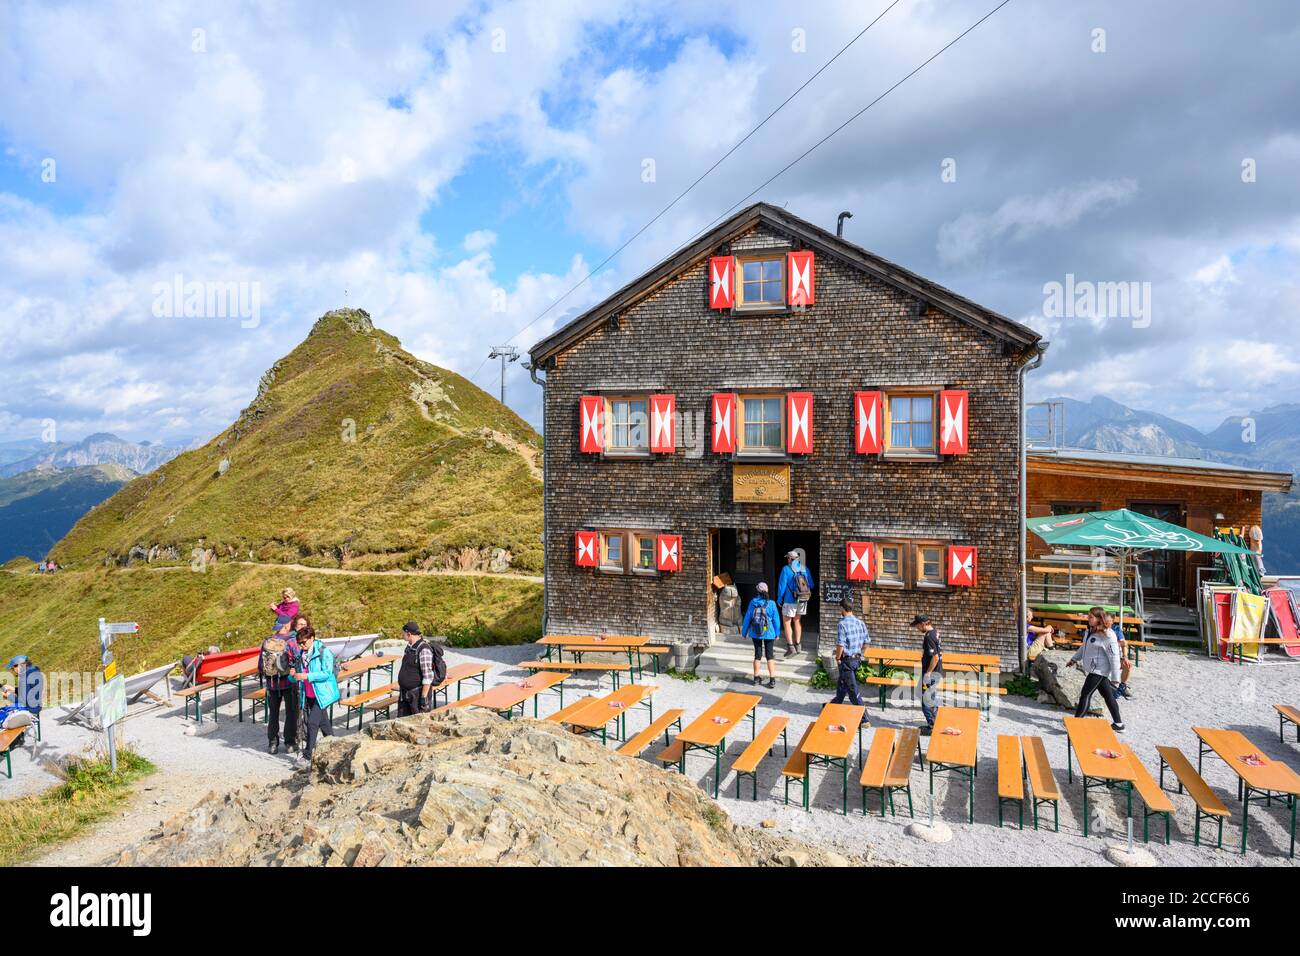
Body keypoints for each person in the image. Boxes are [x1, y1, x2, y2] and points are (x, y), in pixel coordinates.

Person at [1067, 607, 1125, 732]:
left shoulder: (1108, 635)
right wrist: (1074, 659)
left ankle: (1076, 726)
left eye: (1091, 617)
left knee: (1085, 695)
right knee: (1108, 695)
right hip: (1094, 670)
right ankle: (1119, 724)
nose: (1088, 618)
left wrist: (1116, 679)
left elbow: (1114, 657)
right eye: (1088, 616)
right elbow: (1084, 647)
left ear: (1099, 619)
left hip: (1099, 671)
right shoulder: (1089, 631)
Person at [291, 625, 339, 765]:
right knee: (324, 725)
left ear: (312, 638)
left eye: (304, 642)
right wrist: (294, 676)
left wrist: (306, 676)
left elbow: (327, 673)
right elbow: (299, 676)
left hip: (323, 694)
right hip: (310, 694)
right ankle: (336, 749)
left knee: (312, 723)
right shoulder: (301, 655)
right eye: (299, 643)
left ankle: (307, 756)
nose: (301, 645)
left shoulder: (324, 652)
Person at [259, 616, 301, 755]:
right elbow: (297, 658)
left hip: (272, 684)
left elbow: (260, 666)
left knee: (273, 714)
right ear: (287, 625)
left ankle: (272, 743)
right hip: (288, 682)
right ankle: (289, 743)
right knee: (291, 712)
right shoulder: (291, 641)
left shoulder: (267, 642)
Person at [831, 598, 870, 723]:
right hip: (857, 659)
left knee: (852, 689)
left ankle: (864, 719)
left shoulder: (842, 624)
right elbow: (867, 642)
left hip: (846, 660)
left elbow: (840, 644)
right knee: (842, 684)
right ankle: (833, 706)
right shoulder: (860, 622)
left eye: (840, 608)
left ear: (842, 608)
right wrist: (859, 651)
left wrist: (837, 658)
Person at [397, 621, 445, 715]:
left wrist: (423, 698)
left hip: (417, 695)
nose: (402, 636)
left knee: (418, 725)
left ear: (409, 634)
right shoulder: (410, 647)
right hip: (405, 693)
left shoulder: (424, 649)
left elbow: (427, 676)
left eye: (403, 634)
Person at [740, 582, 779, 688]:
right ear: (767, 591)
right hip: (769, 633)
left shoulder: (753, 602)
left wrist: (744, 632)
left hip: (755, 632)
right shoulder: (772, 603)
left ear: (757, 591)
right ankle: (772, 680)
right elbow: (776, 620)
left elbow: (748, 617)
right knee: (770, 656)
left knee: (757, 655)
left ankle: (756, 678)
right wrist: (777, 632)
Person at [776, 550, 814, 657]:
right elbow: (811, 584)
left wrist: (779, 599)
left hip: (789, 600)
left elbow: (782, 586)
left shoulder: (786, 569)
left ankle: (790, 647)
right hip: (802, 599)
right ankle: (798, 645)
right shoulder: (805, 569)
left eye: (787, 558)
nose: (787, 560)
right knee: (797, 621)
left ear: (789, 559)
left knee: (787, 622)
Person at [1, 656, 43, 745]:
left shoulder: (25, 678)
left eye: (13, 668)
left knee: (3, 716)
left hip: (30, 710)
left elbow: (22, 702)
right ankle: (17, 738)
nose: (13, 671)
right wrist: (14, 689)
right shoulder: (33, 673)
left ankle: (10, 743)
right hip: (36, 706)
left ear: (19, 666)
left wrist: (8, 696)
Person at [912, 614, 942, 734]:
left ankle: (932, 725)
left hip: (932, 673)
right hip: (936, 672)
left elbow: (935, 657)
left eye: (918, 626)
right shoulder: (935, 632)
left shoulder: (929, 637)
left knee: (925, 698)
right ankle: (937, 719)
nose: (917, 629)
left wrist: (928, 673)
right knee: (931, 696)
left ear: (924, 624)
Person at [1104, 611, 1135, 700]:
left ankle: (1122, 686)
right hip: (1103, 658)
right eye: (1104, 620)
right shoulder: (1100, 629)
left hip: (1115, 657)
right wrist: (1116, 644)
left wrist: (1125, 657)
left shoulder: (1116, 629)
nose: (1105, 622)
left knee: (1127, 665)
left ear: (1112, 621)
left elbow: (1124, 644)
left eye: (1108, 620)